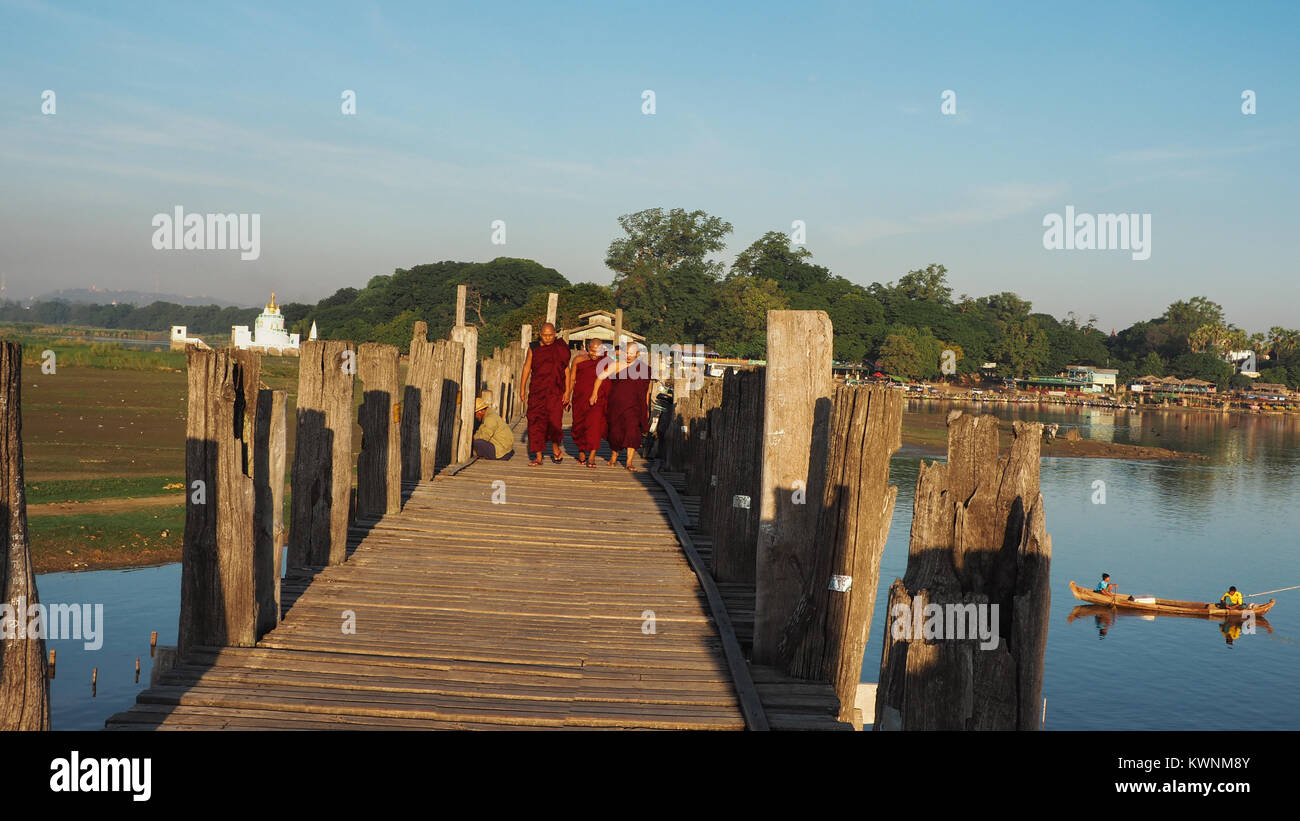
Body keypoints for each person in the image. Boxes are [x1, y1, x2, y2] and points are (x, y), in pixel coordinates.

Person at [594, 341, 653, 471]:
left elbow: (646, 391)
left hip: (635, 407)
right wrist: (594, 393)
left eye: (631, 353)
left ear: (637, 354)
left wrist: (646, 408)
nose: (628, 356)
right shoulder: (616, 365)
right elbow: (600, 377)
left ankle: (629, 462)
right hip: (616, 405)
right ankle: (614, 457)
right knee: (616, 432)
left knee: (633, 432)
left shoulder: (643, 369)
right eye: (626, 353)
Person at [519, 322, 570, 466]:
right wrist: (522, 388)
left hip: (555, 392)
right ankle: (538, 456)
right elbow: (527, 367)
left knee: (554, 421)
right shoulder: (534, 348)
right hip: (537, 391)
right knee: (535, 422)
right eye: (545, 335)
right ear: (540, 335)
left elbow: (567, 370)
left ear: (555, 334)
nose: (548, 338)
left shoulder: (560, 348)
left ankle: (555, 447)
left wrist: (567, 392)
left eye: (551, 335)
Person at [566, 337, 610, 467]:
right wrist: (567, 396)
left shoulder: (606, 362)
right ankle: (581, 453)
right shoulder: (578, 360)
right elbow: (572, 379)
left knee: (595, 427)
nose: (594, 354)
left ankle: (592, 457)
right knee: (579, 427)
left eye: (598, 352)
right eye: (592, 351)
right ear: (587, 349)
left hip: (598, 399)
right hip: (580, 398)